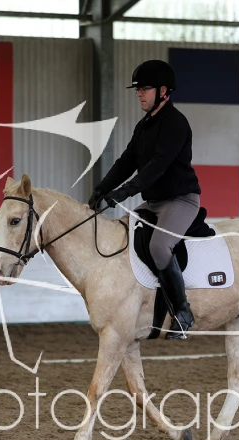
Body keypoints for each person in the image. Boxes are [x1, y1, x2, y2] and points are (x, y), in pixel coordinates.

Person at [87, 59, 201, 340]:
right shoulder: (144, 126)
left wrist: (124, 192)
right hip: (153, 202)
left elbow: (157, 166)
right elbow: (127, 161)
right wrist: (102, 188)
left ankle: (183, 312)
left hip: (180, 200)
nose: (139, 93)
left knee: (160, 247)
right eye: (138, 89)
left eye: (145, 89)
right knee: (122, 234)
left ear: (163, 91)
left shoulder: (176, 123)